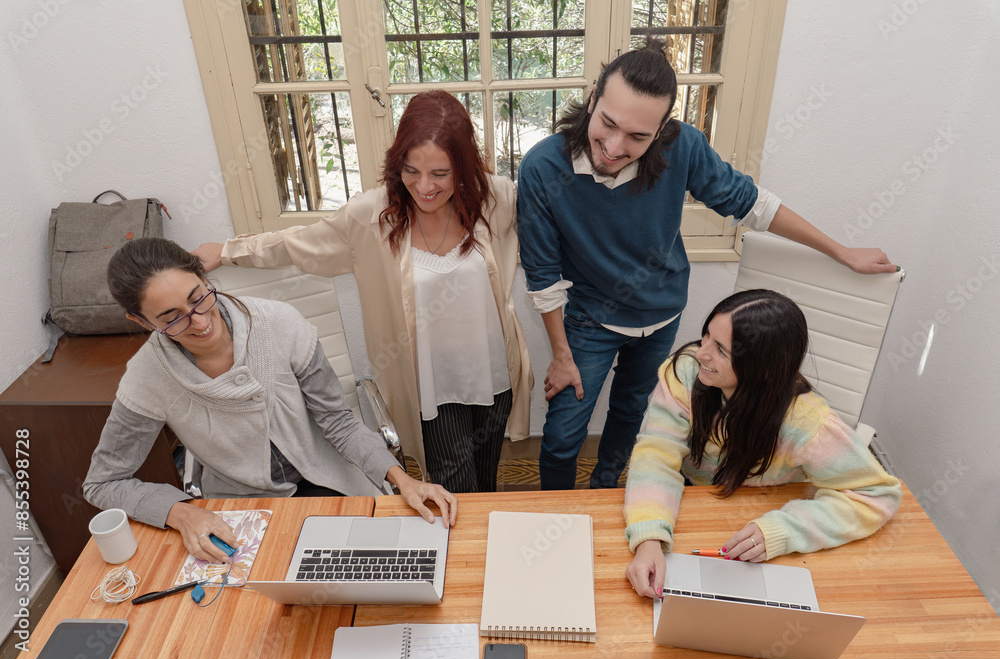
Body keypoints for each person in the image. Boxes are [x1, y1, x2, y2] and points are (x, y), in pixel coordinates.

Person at [516, 40, 900, 491]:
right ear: (594, 97)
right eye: (608, 124)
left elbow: (752, 204)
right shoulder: (543, 167)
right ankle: (555, 517)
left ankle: (604, 492)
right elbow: (543, 277)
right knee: (562, 435)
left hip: (660, 315)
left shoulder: (685, 148)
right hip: (588, 320)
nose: (615, 147)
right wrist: (561, 356)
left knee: (629, 415)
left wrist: (840, 251)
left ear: (662, 131)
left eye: (638, 136)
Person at [192, 90, 531, 494]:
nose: (424, 187)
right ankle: (460, 554)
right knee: (458, 490)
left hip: (494, 376)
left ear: (464, 166)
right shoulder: (372, 217)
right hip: (430, 387)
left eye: (440, 174)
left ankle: (478, 548)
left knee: (486, 476)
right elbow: (299, 243)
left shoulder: (496, 200)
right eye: (411, 171)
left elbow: (553, 221)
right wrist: (230, 251)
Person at [84, 238, 456, 564]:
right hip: (242, 507)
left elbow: (339, 423)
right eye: (172, 319)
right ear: (142, 321)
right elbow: (102, 482)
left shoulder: (279, 323)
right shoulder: (148, 376)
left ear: (204, 277)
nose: (198, 323)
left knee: (369, 576)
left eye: (199, 299)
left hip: (329, 481)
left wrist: (402, 480)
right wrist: (180, 513)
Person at [623, 289, 901, 599]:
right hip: (694, 502)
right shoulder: (685, 373)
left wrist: (784, 531)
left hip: (766, 509)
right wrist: (649, 539)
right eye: (705, 337)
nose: (700, 353)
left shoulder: (807, 422)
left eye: (719, 349)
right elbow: (656, 456)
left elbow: (878, 495)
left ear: (761, 368)